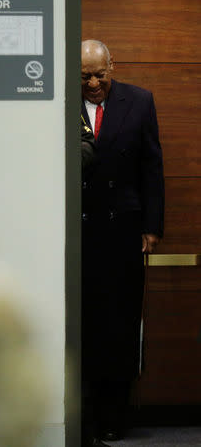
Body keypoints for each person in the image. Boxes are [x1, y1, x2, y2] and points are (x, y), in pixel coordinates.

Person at [81, 40, 164, 446]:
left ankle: (114, 416)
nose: (94, 83)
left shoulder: (140, 101)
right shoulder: (59, 103)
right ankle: (82, 416)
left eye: (100, 74)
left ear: (112, 65)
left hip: (122, 230)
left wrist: (152, 226)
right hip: (75, 231)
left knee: (119, 323)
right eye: (85, 76)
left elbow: (152, 167)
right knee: (84, 322)